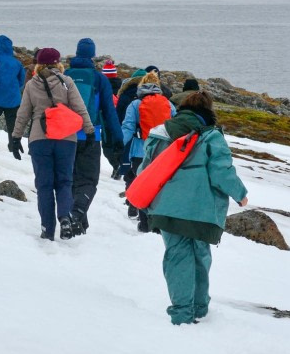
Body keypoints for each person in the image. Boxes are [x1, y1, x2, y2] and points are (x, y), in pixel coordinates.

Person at [142, 91, 248, 325]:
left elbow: (145, 171)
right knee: (200, 255)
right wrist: (240, 195)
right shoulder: (211, 137)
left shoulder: (159, 134)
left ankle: (181, 312)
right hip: (201, 211)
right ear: (208, 111)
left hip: (166, 209)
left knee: (177, 256)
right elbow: (222, 172)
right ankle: (199, 309)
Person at [10, 48, 94, 241]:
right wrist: (88, 132)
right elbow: (80, 108)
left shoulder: (32, 84)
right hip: (66, 139)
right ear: (58, 64)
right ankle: (65, 218)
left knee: (44, 186)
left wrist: (15, 138)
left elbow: (23, 113)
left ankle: (47, 230)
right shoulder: (67, 82)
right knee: (65, 182)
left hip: (40, 140)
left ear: (38, 64)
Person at [65, 38, 122, 235]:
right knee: (88, 181)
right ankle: (76, 213)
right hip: (90, 136)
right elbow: (109, 112)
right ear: (92, 55)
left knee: (72, 180)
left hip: (66, 136)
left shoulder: (65, 75)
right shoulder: (99, 79)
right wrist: (118, 138)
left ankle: (79, 223)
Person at [121, 71, 176, 232]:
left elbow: (127, 127)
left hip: (140, 152)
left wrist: (121, 146)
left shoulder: (135, 105)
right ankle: (157, 224)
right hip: (163, 152)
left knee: (143, 186)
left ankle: (144, 223)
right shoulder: (168, 104)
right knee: (159, 187)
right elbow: (175, 126)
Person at [0, 35, 26, 149]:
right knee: (12, 121)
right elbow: (22, 80)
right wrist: (15, 88)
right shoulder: (17, 63)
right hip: (13, 98)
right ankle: (13, 145)